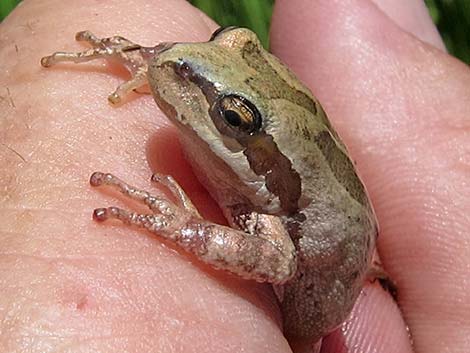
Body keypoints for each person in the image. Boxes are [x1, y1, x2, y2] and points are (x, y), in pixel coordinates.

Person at [0, 1, 467, 352]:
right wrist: (149, 59)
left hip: (310, 283)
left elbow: (278, 261)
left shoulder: (269, 209)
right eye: (228, 37)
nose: (183, 56)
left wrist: (186, 228)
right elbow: (182, 63)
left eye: (234, 117)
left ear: (254, 148)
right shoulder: (200, 83)